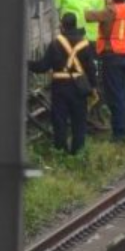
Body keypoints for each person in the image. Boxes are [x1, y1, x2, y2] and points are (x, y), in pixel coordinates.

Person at [28, 13, 97, 154]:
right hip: (79, 88)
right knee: (79, 122)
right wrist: (93, 87)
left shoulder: (55, 44)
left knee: (59, 121)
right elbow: (91, 68)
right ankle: (78, 152)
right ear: (75, 24)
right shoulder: (85, 44)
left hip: (60, 88)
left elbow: (42, 66)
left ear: (62, 26)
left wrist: (26, 63)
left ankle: (61, 152)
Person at [86, 0, 125, 142]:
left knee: (115, 97)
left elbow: (89, 16)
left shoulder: (110, 12)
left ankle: (119, 135)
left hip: (113, 57)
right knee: (122, 94)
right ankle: (123, 129)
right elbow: (113, 7)